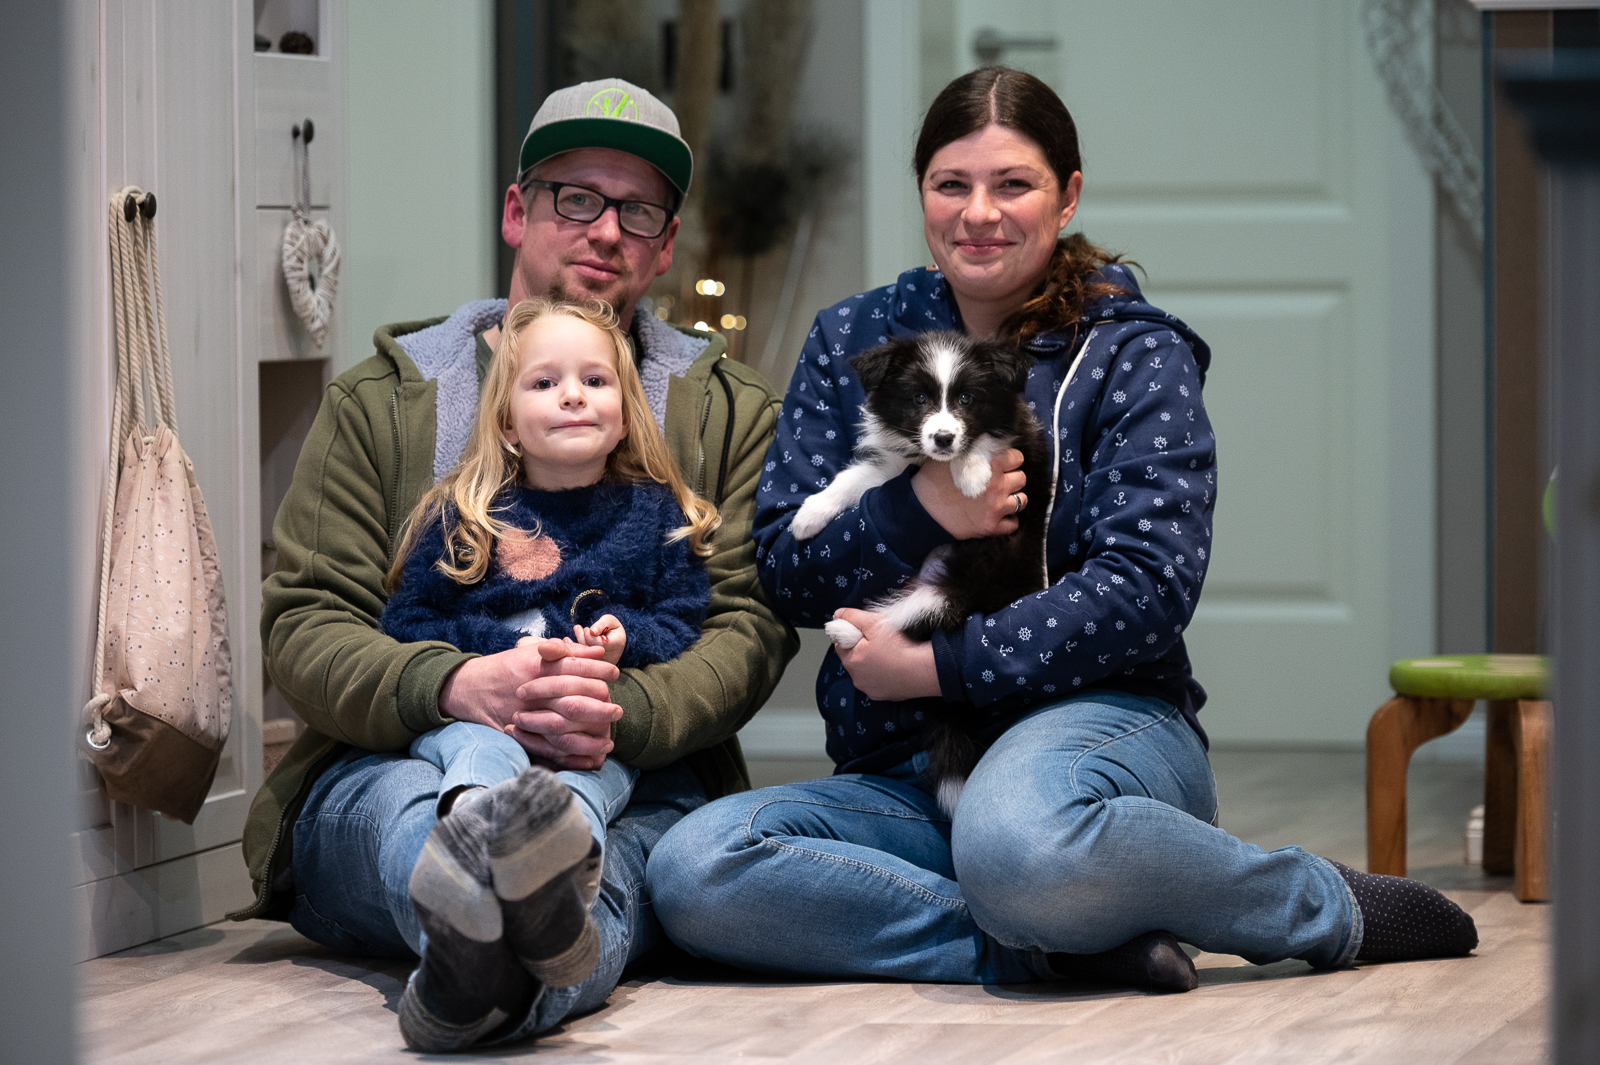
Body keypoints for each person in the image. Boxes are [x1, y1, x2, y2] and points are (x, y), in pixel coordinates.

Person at [647, 66, 1477, 989]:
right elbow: (785, 569)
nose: (979, 213)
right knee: (695, 869)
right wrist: (918, 508)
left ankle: (1314, 902)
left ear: (1068, 195)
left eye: (1014, 184)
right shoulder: (855, 337)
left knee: (1019, 839)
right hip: (906, 769)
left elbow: (1147, 587)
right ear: (922, 193)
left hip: (1100, 735)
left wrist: (941, 665)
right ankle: (1052, 935)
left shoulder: (1134, 350)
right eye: (951, 184)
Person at [230, 78, 797, 1052]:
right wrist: (456, 686)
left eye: (639, 210)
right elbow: (305, 624)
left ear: (666, 243)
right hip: (396, 763)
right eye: (575, 197)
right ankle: (487, 942)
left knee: (610, 856)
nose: (606, 229)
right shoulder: (384, 401)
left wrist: (617, 710)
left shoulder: (730, 410)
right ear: (515, 212)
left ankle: (468, 982)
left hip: (638, 770)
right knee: (421, 823)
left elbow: (749, 624)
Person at [383, 297, 718, 981]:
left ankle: (560, 896)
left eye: (595, 380)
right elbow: (408, 621)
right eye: (544, 382)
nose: (572, 395)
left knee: (595, 773)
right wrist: (494, 653)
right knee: (479, 753)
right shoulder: (466, 514)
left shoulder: (656, 512)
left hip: (588, 727)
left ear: (625, 412)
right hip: (483, 722)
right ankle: (470, 852)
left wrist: (627, 637)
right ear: (507, 421)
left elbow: (683, 619)